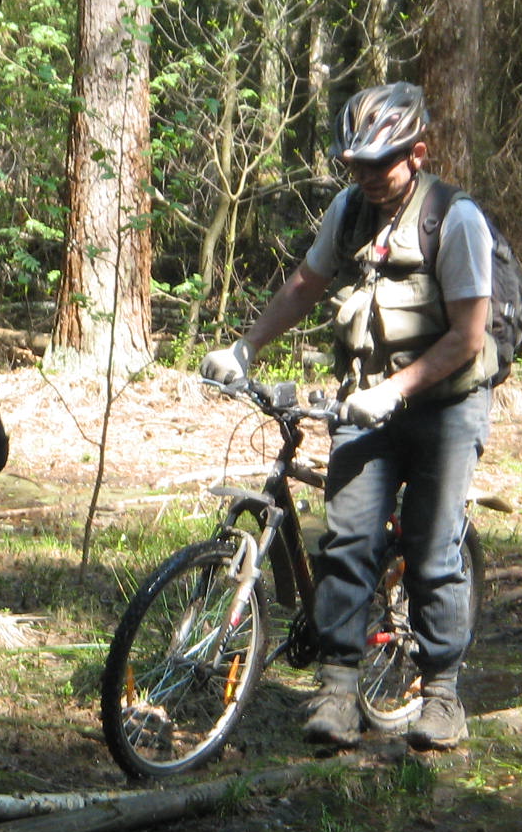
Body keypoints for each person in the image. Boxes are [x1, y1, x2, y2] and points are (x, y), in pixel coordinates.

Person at [201, 82, 495, 751]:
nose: (364, 176)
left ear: (417, 153)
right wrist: (247, 346)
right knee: (347, 542)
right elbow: (307, 284)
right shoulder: (349, 210)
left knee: (432, 550)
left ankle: (442, 696)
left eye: (378, 163)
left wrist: (395, 391)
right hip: (366, 404)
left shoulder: (455, 220)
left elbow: (468, 336)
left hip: (446, 407)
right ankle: (337, 690)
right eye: (354, 164)